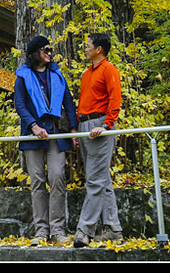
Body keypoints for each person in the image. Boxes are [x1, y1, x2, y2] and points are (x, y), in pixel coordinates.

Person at [14, 35, 78, 245]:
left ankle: (57, 230)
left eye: (51, 50)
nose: (50, 53)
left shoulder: (57, 75)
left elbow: (68, 102)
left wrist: (73, 129)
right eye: (46, 50)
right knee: (37, 182)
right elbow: (20, 105)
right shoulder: (22, 76)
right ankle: (41, 231)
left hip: (55, 133)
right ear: (35, 53)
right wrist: (34, 125)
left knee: (57, 177)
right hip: (32, 135)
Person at [73, 32, 123, 247]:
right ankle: (113, 229)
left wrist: (106, 125)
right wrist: (77, 129)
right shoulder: (86, 74)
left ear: (98, 49)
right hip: (85, 126)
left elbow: (115, 99)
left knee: (95, 180)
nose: (85, 49)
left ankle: (84, 230)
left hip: (100, 126)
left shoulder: (109, 69)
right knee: (101, 179)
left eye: (88, 46)